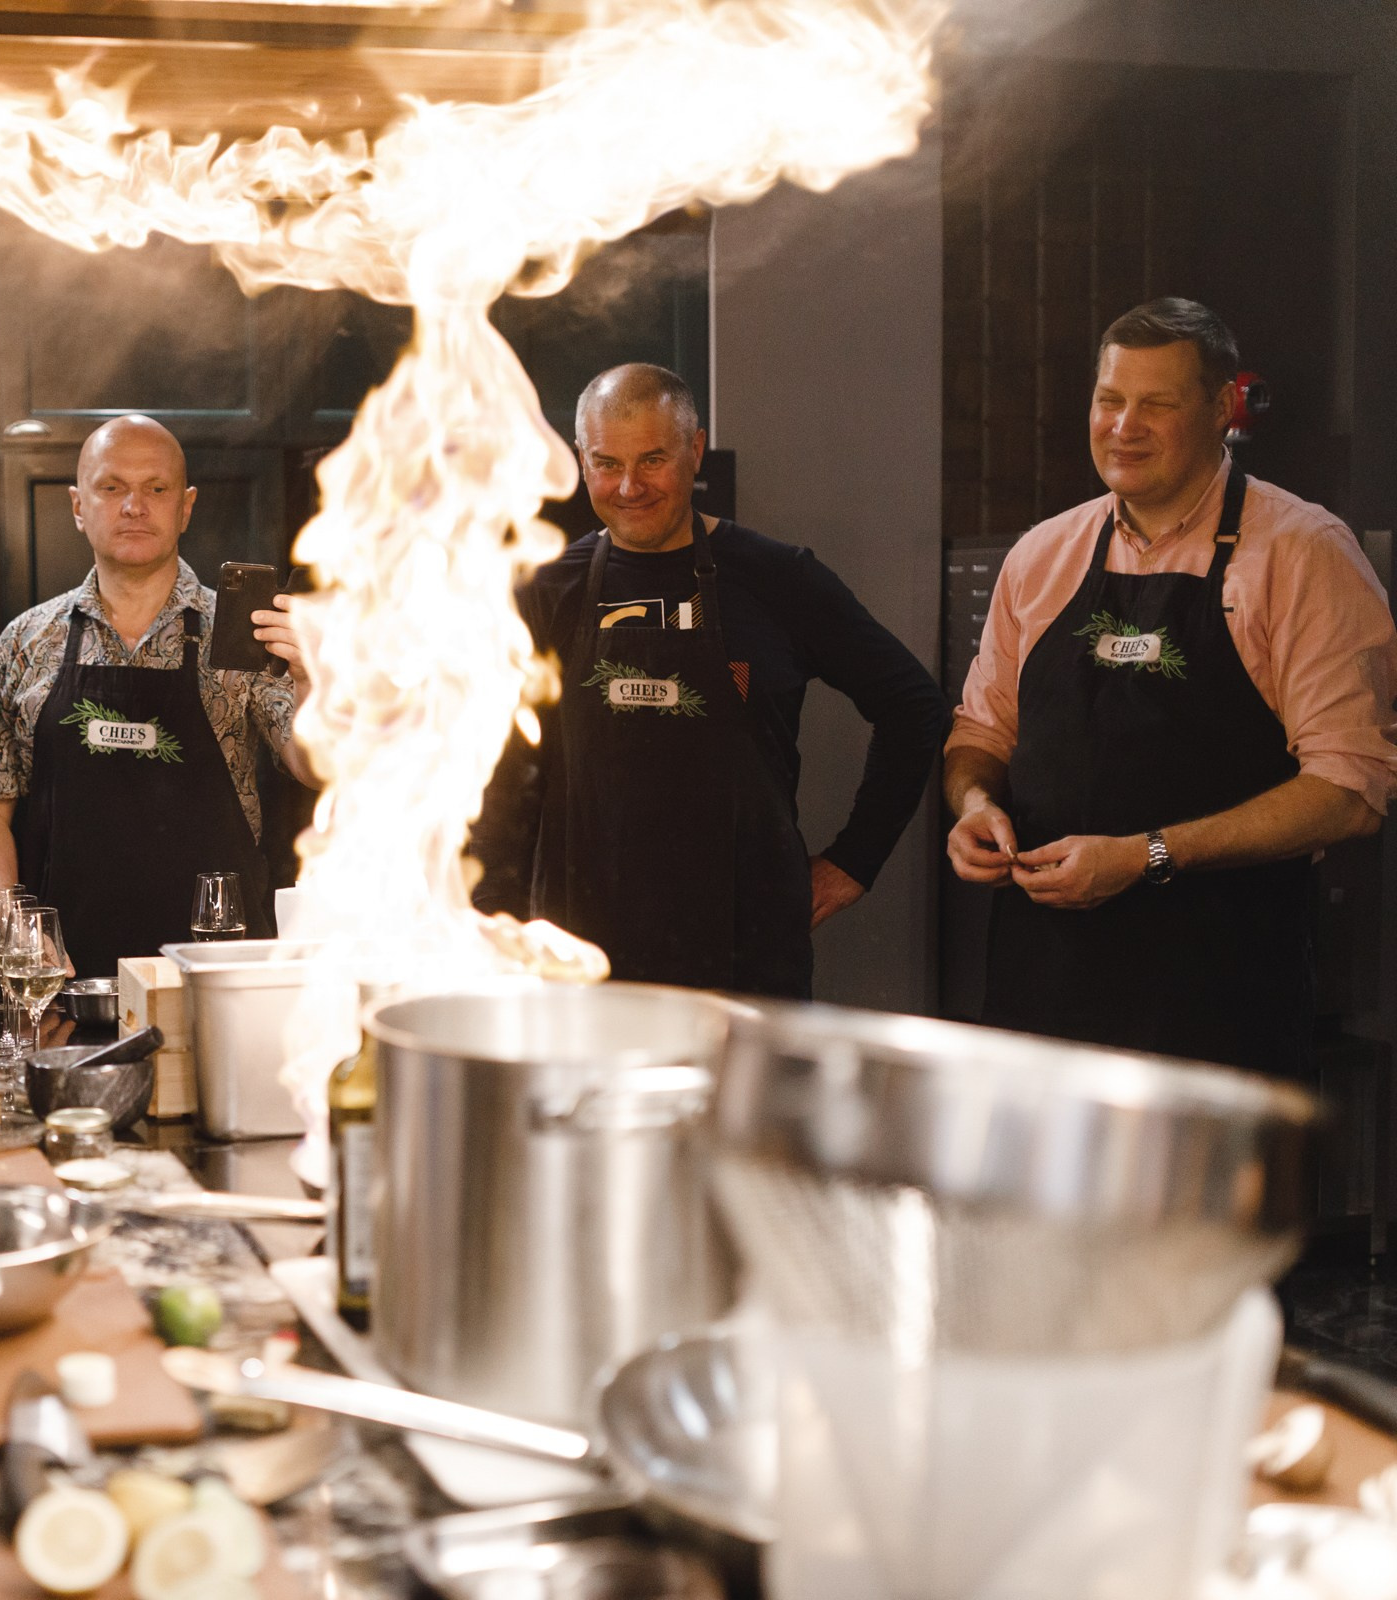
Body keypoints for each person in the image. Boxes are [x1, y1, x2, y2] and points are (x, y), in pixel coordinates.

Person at [945, 298, 1397, 1078]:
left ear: (1222, 410)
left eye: (1158, 404)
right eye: (1111, 401)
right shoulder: (1042, 554)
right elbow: (981, 735)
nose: (1125, 427)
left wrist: (1147, 856)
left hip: (1216, 1013)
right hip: (1040, 1003)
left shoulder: (1301, 552)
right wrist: (976, 808)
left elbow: (1349, 787)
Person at [474, 364, 947, 998]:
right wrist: (491, 920)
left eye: (653, 460)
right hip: (576, 967)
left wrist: (854, 862)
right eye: (606, 463)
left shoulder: (780, 579)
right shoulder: (544, 589)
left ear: (695, 450)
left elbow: (913, 706)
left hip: (744, 965)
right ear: (581, 460)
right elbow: (505, 776)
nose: (629, 486)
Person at [0, 415, 313, 976]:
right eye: (112, 487)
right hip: (66, 974)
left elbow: (310, 765)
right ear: (78, 505)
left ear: (186, 506)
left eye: (157, 489)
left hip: (216, 969)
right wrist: (11, 923)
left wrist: (313, 679)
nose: (134, 506)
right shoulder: (28, 640)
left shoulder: (245, 632)